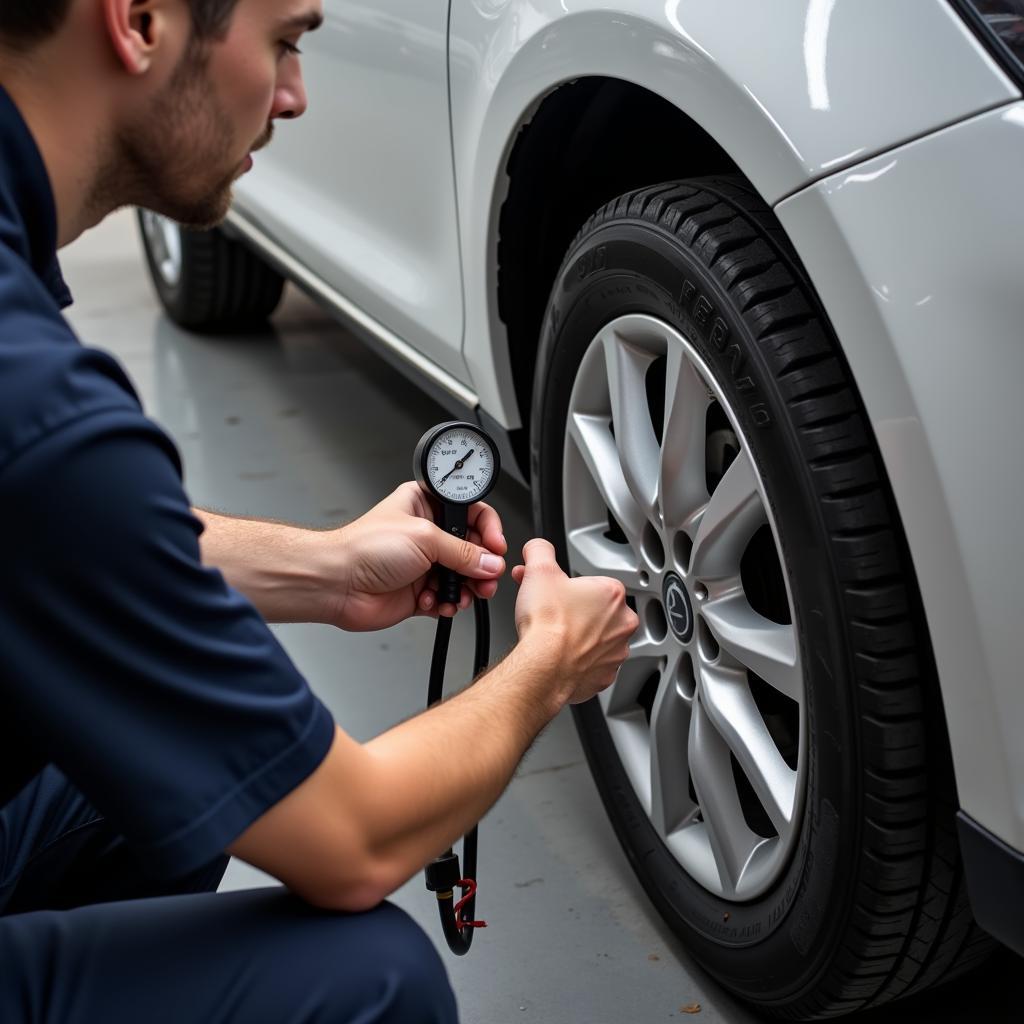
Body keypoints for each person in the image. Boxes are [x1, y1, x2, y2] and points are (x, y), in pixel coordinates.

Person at [0, 1, 639, 1021]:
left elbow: (50, 539)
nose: (294, 95)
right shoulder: (30, 390)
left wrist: (332, 567)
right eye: (286, 42)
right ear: (141, 20)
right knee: (367, 982)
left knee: (171, 769)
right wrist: (547, 666)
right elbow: (356, 841)